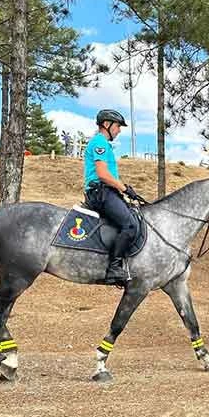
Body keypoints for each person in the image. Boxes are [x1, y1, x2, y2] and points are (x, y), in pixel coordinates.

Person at [83, 109, 141, 285]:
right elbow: (102, 174)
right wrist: (124, 188)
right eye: (117, 126)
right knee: (130, 225)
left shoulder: (104, 145)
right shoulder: (99, 142)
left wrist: (125, 189)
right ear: (107, 125)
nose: (119, 130)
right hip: (101, 193)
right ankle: (114, 269)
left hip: (107, 191)